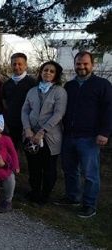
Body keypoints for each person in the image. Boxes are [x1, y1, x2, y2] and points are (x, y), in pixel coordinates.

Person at [54, 51, 112, 218]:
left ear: (92, 65)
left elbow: (109, 110)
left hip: (90, 137)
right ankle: (73, 197)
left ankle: (89, 205)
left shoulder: (102, 85)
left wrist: (105, 132)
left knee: (90, 174)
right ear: (75, 64)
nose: (82, 67)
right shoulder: (69, 86)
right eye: (79, 63)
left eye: (85, 64)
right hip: (69, 135)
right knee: (70, 170)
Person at [21, 61, 67, 206]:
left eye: (51, 71)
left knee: (48, 168)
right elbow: (25, 110)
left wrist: (42, 131)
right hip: (30, 135)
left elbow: (59, 113)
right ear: (40, 72)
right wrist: (27, 128)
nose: (47, 73)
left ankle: (45, 195)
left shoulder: (59, 91)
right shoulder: (33, 91)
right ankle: (34, 192)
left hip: (49, 137)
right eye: (45, 70)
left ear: (56, 75)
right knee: (34, 166)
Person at [2, 53, 37, 147]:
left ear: (25, 65)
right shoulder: (6, 84)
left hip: (28, 126)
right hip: (11, 125)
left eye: (20, 64)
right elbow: (4, 103)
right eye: (14, 64)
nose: (17, 67)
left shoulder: (33, 83)